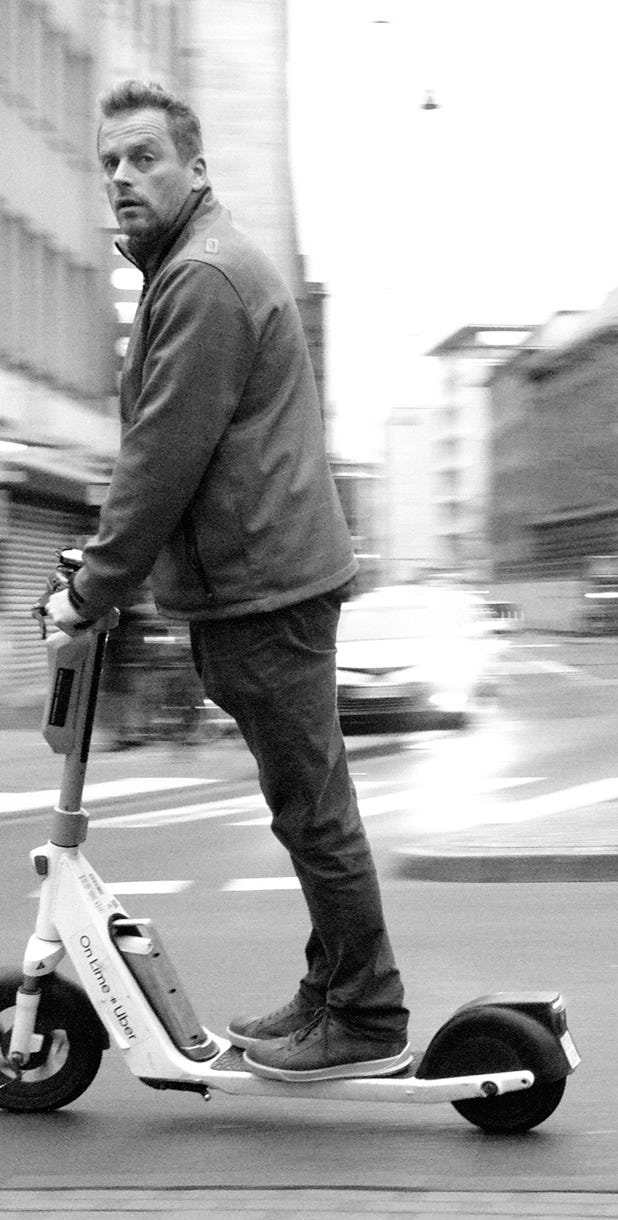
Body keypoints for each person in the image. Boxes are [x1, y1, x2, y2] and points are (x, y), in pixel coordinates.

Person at [43, 80, 410, 1083]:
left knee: (312, 805)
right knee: (305, 799)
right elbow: (169, 453)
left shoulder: (200, 277)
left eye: (144, 157)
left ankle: (367, 1011)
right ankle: (334, 987)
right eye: (109, 160)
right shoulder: (190, 266)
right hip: (262, 577)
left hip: (266, 586)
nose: (120, 174)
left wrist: (92, 592)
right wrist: (110, 566)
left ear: (195, 169)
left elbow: (165, 454)